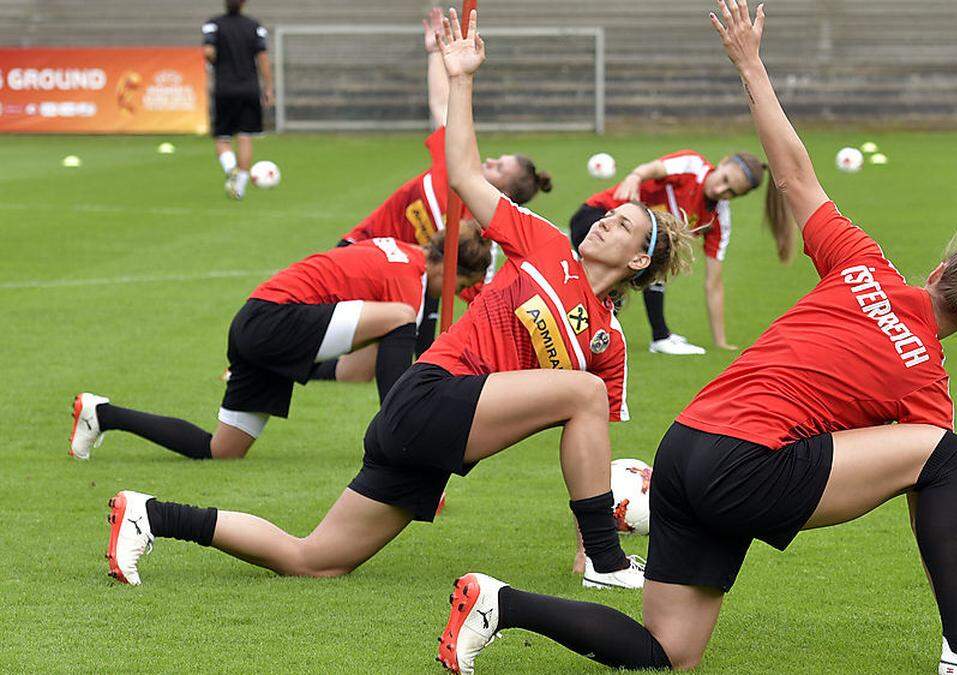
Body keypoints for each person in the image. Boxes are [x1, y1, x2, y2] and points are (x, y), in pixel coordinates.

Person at [433, 3, 957, 675]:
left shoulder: (863, 263)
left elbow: (792, 174)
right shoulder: (927, 382)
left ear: (937, 271)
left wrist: (750, 63)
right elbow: (926, 485)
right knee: (944, 453)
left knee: (669, 652)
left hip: (683, 449)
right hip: (743, 466)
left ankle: (498, 603)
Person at [99, 11, 692, 594]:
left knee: (314, 561)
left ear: (639, 261)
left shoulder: (608, 346)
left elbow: (589, 448)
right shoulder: (542, 243)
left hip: (435, 444)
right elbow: (461, 172)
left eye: (621, 226)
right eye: (610, 215)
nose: (605, 223)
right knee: (580, 393)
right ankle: (611, 562)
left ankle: (152, 516)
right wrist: (460, 78)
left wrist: (583, 544)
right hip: (428, 395)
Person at [70, 231, 491, 462]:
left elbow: (366, 367)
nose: (453, 295)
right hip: (272, 319)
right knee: (399, 316)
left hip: (259, 327)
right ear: (451, 267)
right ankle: (400, 436)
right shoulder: (408, 282)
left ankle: (101, 413)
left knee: (222, 450)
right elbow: (407, 339)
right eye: (461, 286)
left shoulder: (404, 252)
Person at [313, 7, 553, 378]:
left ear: (503, 191)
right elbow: (442, 106)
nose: (486, 160)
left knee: (397, 365)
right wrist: (433, 55)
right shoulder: (453, 168)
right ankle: (276, 360)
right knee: (310, 322)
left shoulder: (476, 244)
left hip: (415, 282)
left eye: (497, 167)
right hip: (362, 253)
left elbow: (486, 300)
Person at [570, 147, 788, 354]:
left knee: (648, 265)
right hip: (596, 217)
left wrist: (720, 342)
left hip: (630, 246)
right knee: (633, 270)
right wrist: (635, 176)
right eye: (725, 180)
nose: (721, 190)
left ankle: (605, 333)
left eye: (731, 192)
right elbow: (654, 169)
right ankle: (655, 336)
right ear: (722, 163)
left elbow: (714, 281)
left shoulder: (718, 218)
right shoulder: (693, 166)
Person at [203, 0, 273, 201]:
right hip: (249, 88)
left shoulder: (214, 24)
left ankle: (230, 167)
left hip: (225, 88)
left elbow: (208, 52)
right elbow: (263, 58)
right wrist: (268, 87)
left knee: (222, 137)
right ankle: (239, 188)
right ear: (243, 4)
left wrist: (215, 60)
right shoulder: (254, 26)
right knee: (245, 136)